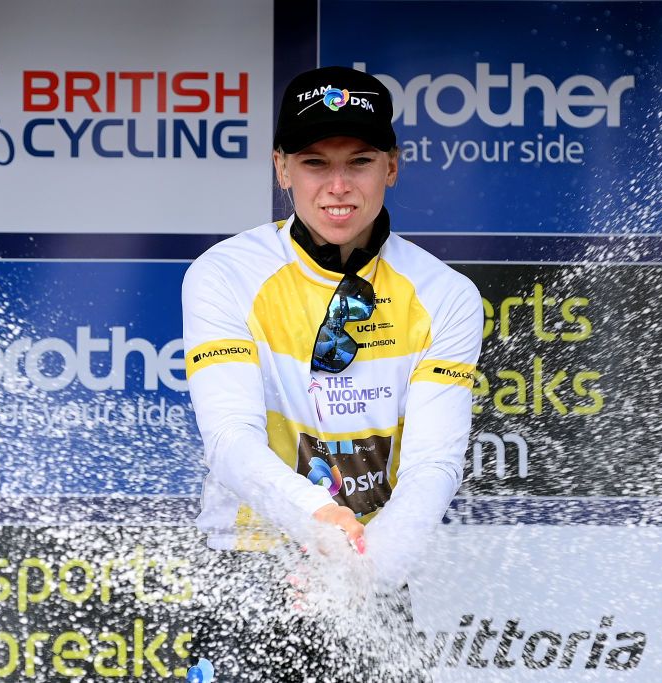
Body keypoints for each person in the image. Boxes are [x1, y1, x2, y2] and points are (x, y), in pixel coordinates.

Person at [182, 65, 483, 681]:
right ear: (281, 169)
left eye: (360, 161)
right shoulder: (225, 273)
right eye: (315, 162)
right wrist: (317, 524)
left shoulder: (446, 294)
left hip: (372, 575)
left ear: (392, 167)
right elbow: (230, 441)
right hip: (249, 570)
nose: (338, 186)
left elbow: (434, 466)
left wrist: (362, 570)